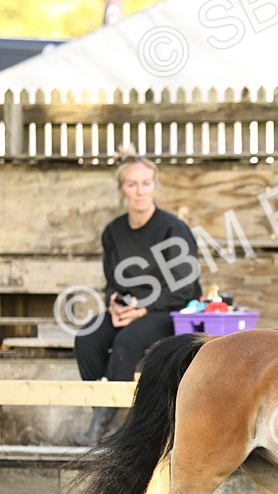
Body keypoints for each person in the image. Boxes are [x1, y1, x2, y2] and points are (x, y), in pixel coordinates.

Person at [73, 148, 201, 445]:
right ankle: (101, 411)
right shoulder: (113, 231)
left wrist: (144, 309)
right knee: (87, 338)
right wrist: (114, 304)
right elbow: (112, 280)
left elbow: (184, 286)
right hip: (130, 308)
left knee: (126, 341)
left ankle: (125, 428)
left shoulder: (172, 228)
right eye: (132, 184)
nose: (140, 191)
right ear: (122, 190)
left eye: (146, 183)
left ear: (155, 186)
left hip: (170, 307)